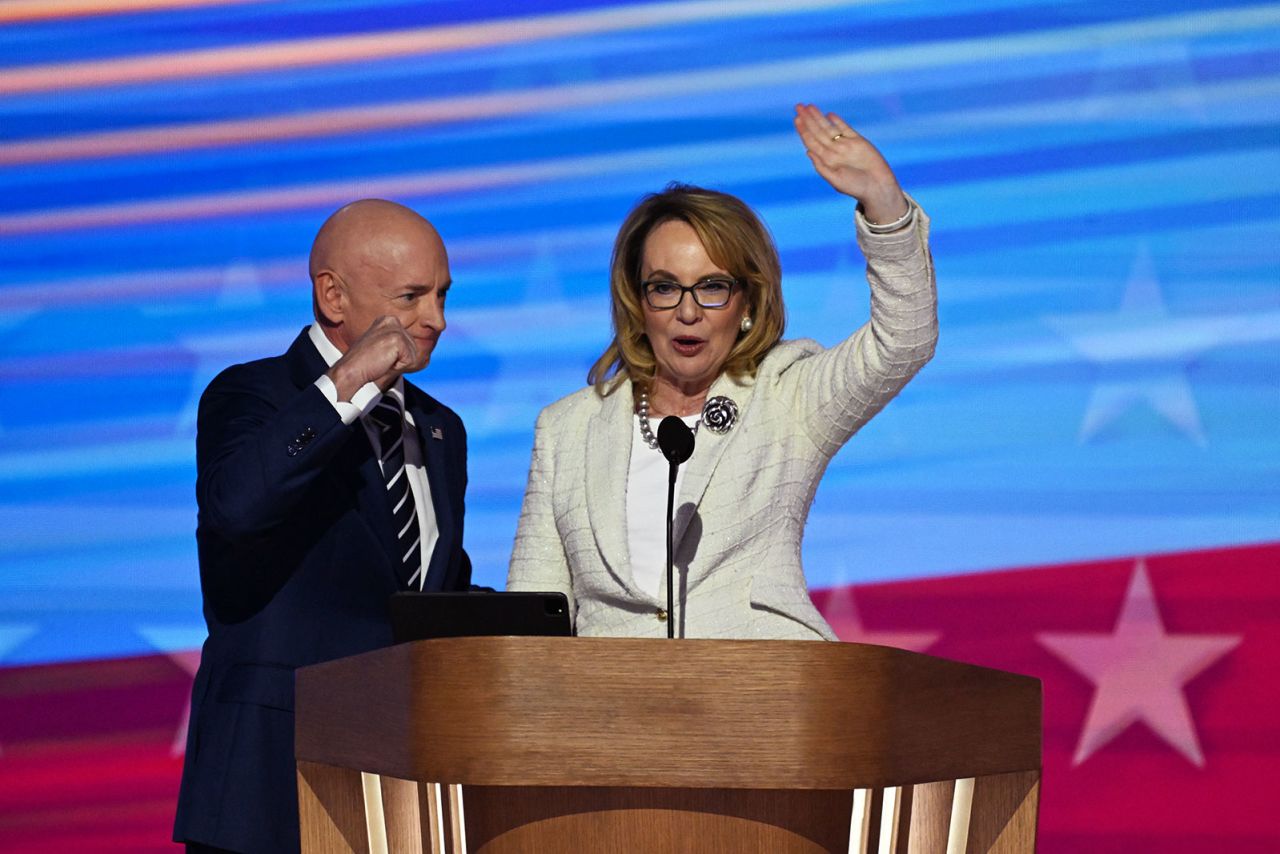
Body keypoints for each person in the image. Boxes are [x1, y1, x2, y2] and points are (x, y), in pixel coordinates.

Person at [507, 104, 937, 640]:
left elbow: (904, 341)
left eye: (712, 287)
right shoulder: (566, 429)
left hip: (762, 693)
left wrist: (884, 204)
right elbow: (529, 615)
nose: (688, 312)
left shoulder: (787, 397)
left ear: (748, 302)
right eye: (664, 287)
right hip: (612, 709)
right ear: (637, 301)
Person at [173, 200, 472, 854]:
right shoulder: (253, 395)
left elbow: (431, 593)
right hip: (268, 780)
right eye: (412, 296)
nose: (436, 320)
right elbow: (239, 506)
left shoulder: (440, 428)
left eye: (443, 294)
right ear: (332, 295)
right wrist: (344, 387)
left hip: (396, 779)